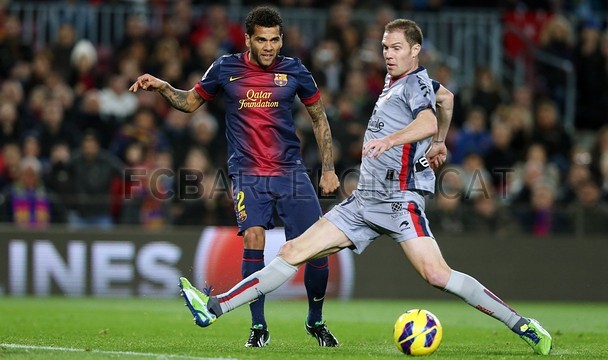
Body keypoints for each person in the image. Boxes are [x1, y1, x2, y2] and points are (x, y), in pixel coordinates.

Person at [177, 18, 554, 355]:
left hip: (396, 201)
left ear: (416, 51)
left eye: (397, 48)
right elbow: (446, 98)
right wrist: (440, 141)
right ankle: (213, 310)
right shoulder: (401, 81)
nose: (388, 54)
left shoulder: (414, 83)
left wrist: (400, 139)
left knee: (438, 276)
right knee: (292, 251)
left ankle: (522, 325)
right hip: (362, 203)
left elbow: (424, 118)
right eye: (385, 47)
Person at [129, 7, 341, 348]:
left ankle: (315, 320)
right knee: (254, 237)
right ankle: (259, 327)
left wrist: (329, 169)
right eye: (262, 40)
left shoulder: (295, 70)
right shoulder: (225, 68)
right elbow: (189, 103)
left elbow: (319, 118)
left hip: (291, 173)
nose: (269, 47)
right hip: (247, 173)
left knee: (317, 250)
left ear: (281, 40)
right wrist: (163, 86)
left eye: (274, 40)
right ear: (248, 39)